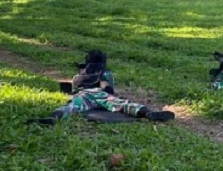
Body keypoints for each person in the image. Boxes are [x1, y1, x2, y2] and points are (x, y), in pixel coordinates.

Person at [26, 50, 174, 125]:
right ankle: (147, 113)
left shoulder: (78, 76)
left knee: (71, 107)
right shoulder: (105, 74)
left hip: (84, 95)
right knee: (123, 104)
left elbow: (72, 90)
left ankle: (53, 118)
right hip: (101, 94)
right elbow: (108, 89)